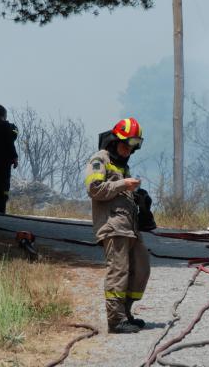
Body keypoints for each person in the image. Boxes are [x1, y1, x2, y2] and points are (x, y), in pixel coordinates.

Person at [84, 117, 150, 334]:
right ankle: (116, 320)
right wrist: (124, 184)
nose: (128, 151)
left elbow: (122, 194)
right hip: (112, 226)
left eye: (133, 147)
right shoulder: (99, 159)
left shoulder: (122, 165)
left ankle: (125, 312)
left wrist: (139, 198)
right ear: (114, 141)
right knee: (118, 271)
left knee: (140, 268)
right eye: (125, 145)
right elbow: (94, 189)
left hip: (130, 227)